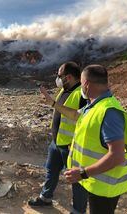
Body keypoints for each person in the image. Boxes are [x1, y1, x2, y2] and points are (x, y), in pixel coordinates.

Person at [40, 64, 127, 214]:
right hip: (96, 180)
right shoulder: (94, 106)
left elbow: (117, 156)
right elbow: (75, 115)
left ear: (87, 84)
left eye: (82, 83)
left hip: (105, 186)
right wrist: (52, 103)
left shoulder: (109, 112)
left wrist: (83, 173)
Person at [28, 62, 88, 214]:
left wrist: (53, 103)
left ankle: (78, 210)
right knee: (51, 171)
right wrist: (51, 102)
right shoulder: (64, 90)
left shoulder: (82, 94)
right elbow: (58, 109)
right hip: (57, 142)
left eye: (60, 76)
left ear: (68, 77)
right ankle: (46, 198)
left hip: (72, 146)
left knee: (76, 180)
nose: (58, 79)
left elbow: (79, 116)